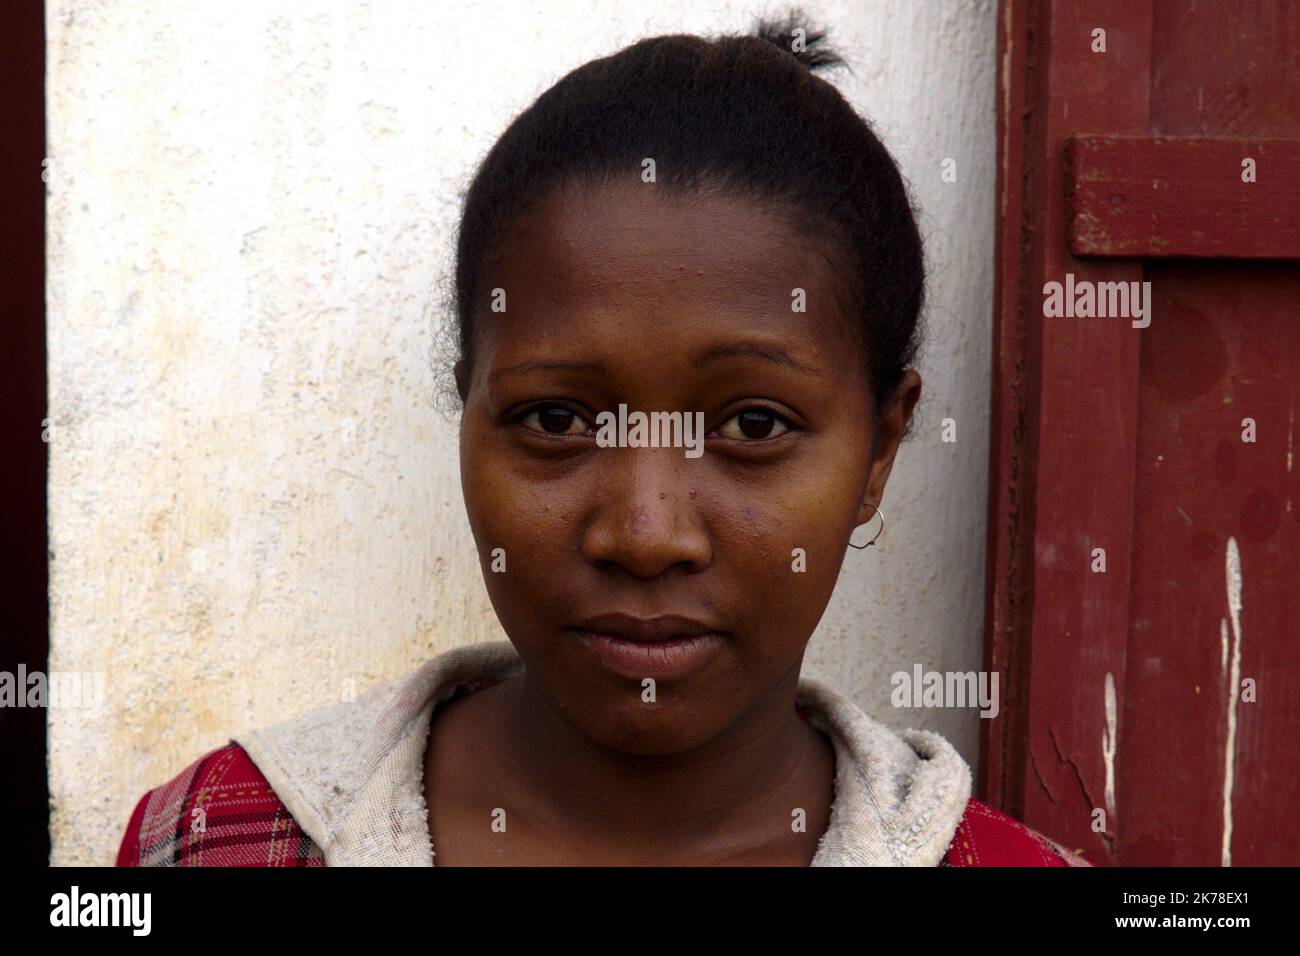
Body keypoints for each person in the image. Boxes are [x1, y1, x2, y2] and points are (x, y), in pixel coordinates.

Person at [117, 13, 1087, 867]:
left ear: (878, 450)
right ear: (471, 413)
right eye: (556, 419)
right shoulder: (216, 838)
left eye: (753, 424)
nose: (645, 532)